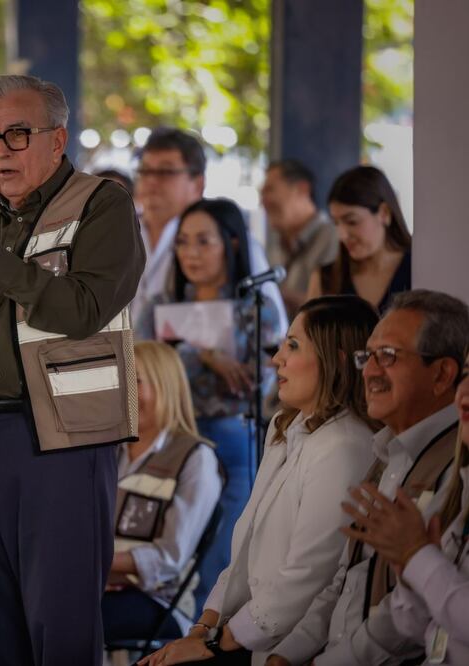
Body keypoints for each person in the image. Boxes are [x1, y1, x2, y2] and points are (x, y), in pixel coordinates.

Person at [0, 74, 144, 665]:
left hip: (57, 439)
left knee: (58, 623)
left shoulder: (102, 204)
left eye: (17, 134)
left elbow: (86, 310)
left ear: (58, 139)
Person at [143, 295, 379, 666]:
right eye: (284, 343)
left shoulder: (344, 445)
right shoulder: (287, 427)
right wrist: (204, 626)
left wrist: (219, 642)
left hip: (290, 645)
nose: (277, 358)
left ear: (334, 358)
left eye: (294, 345)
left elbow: (307, 578)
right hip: (245, 633)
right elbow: (245, 552)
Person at [266, 290, 469, 666]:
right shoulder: (387, 452)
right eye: (368, 356)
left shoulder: (451, 463)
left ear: (442, 374)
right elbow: (344, 579)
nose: (370, 371)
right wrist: (286, 656)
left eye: (388, 357)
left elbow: (416, 618)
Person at [137, 197, 281, 608]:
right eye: (183, 242)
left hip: (233, 444)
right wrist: (202, 355)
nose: (191, 253)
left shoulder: (256, 307)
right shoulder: (160, 307)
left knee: (220, 568)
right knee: (154, 562)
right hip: (166, 445)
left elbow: (262, 379)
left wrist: (190, 352)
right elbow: (142, 366)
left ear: (233, 244)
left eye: (204, 241)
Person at [340, 349, 469, 666]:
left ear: (440, 375)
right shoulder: (464, 487)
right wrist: (410, 575)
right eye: (468, 373)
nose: (464, 391)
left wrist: (417, 556)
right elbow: (414, 625)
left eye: (387, 355)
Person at [102, 341, 223, 644]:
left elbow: (171, 558)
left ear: (165, 385)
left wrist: (97, 563)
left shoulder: (195, 458)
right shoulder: (107, 451)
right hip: (95, 586)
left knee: (64, 620)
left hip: (157, 601)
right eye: (120, 380)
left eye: (136, 381)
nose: (123, 392)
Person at [131, 128, 287, 335]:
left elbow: (273, 334)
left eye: (165, 172)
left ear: (198, 183)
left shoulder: (232, 239)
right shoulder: (120, 235)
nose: (151, 181)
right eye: (144, 171)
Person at [306, 165, 411, 314]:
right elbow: (303, 337)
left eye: (352, 221)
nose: (342, 235)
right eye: (336, 223)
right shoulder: (326, 279)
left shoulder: (418, 270)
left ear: (384, 213)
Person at [260, 160, 338, 316]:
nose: (263, 201)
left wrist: (275, 294)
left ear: (302, 189)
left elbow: (335, 308)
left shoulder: (334, 238)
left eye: (270, 190)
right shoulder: (276, 243)